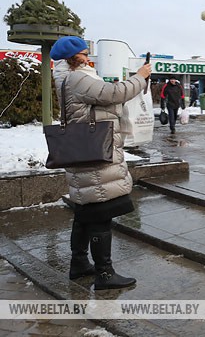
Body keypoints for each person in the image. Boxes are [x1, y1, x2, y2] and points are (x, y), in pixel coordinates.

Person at [50, 36, 152, 290]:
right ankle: (104, 274)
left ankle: (79, 264)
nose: (89, 57)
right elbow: (115, 94)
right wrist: (140, 76)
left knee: (85, 213)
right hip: (95, 154)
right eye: (85, 53)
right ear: (74, 58)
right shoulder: (77, 78)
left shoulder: (67, 77)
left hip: (85, 151)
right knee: (100, 214)